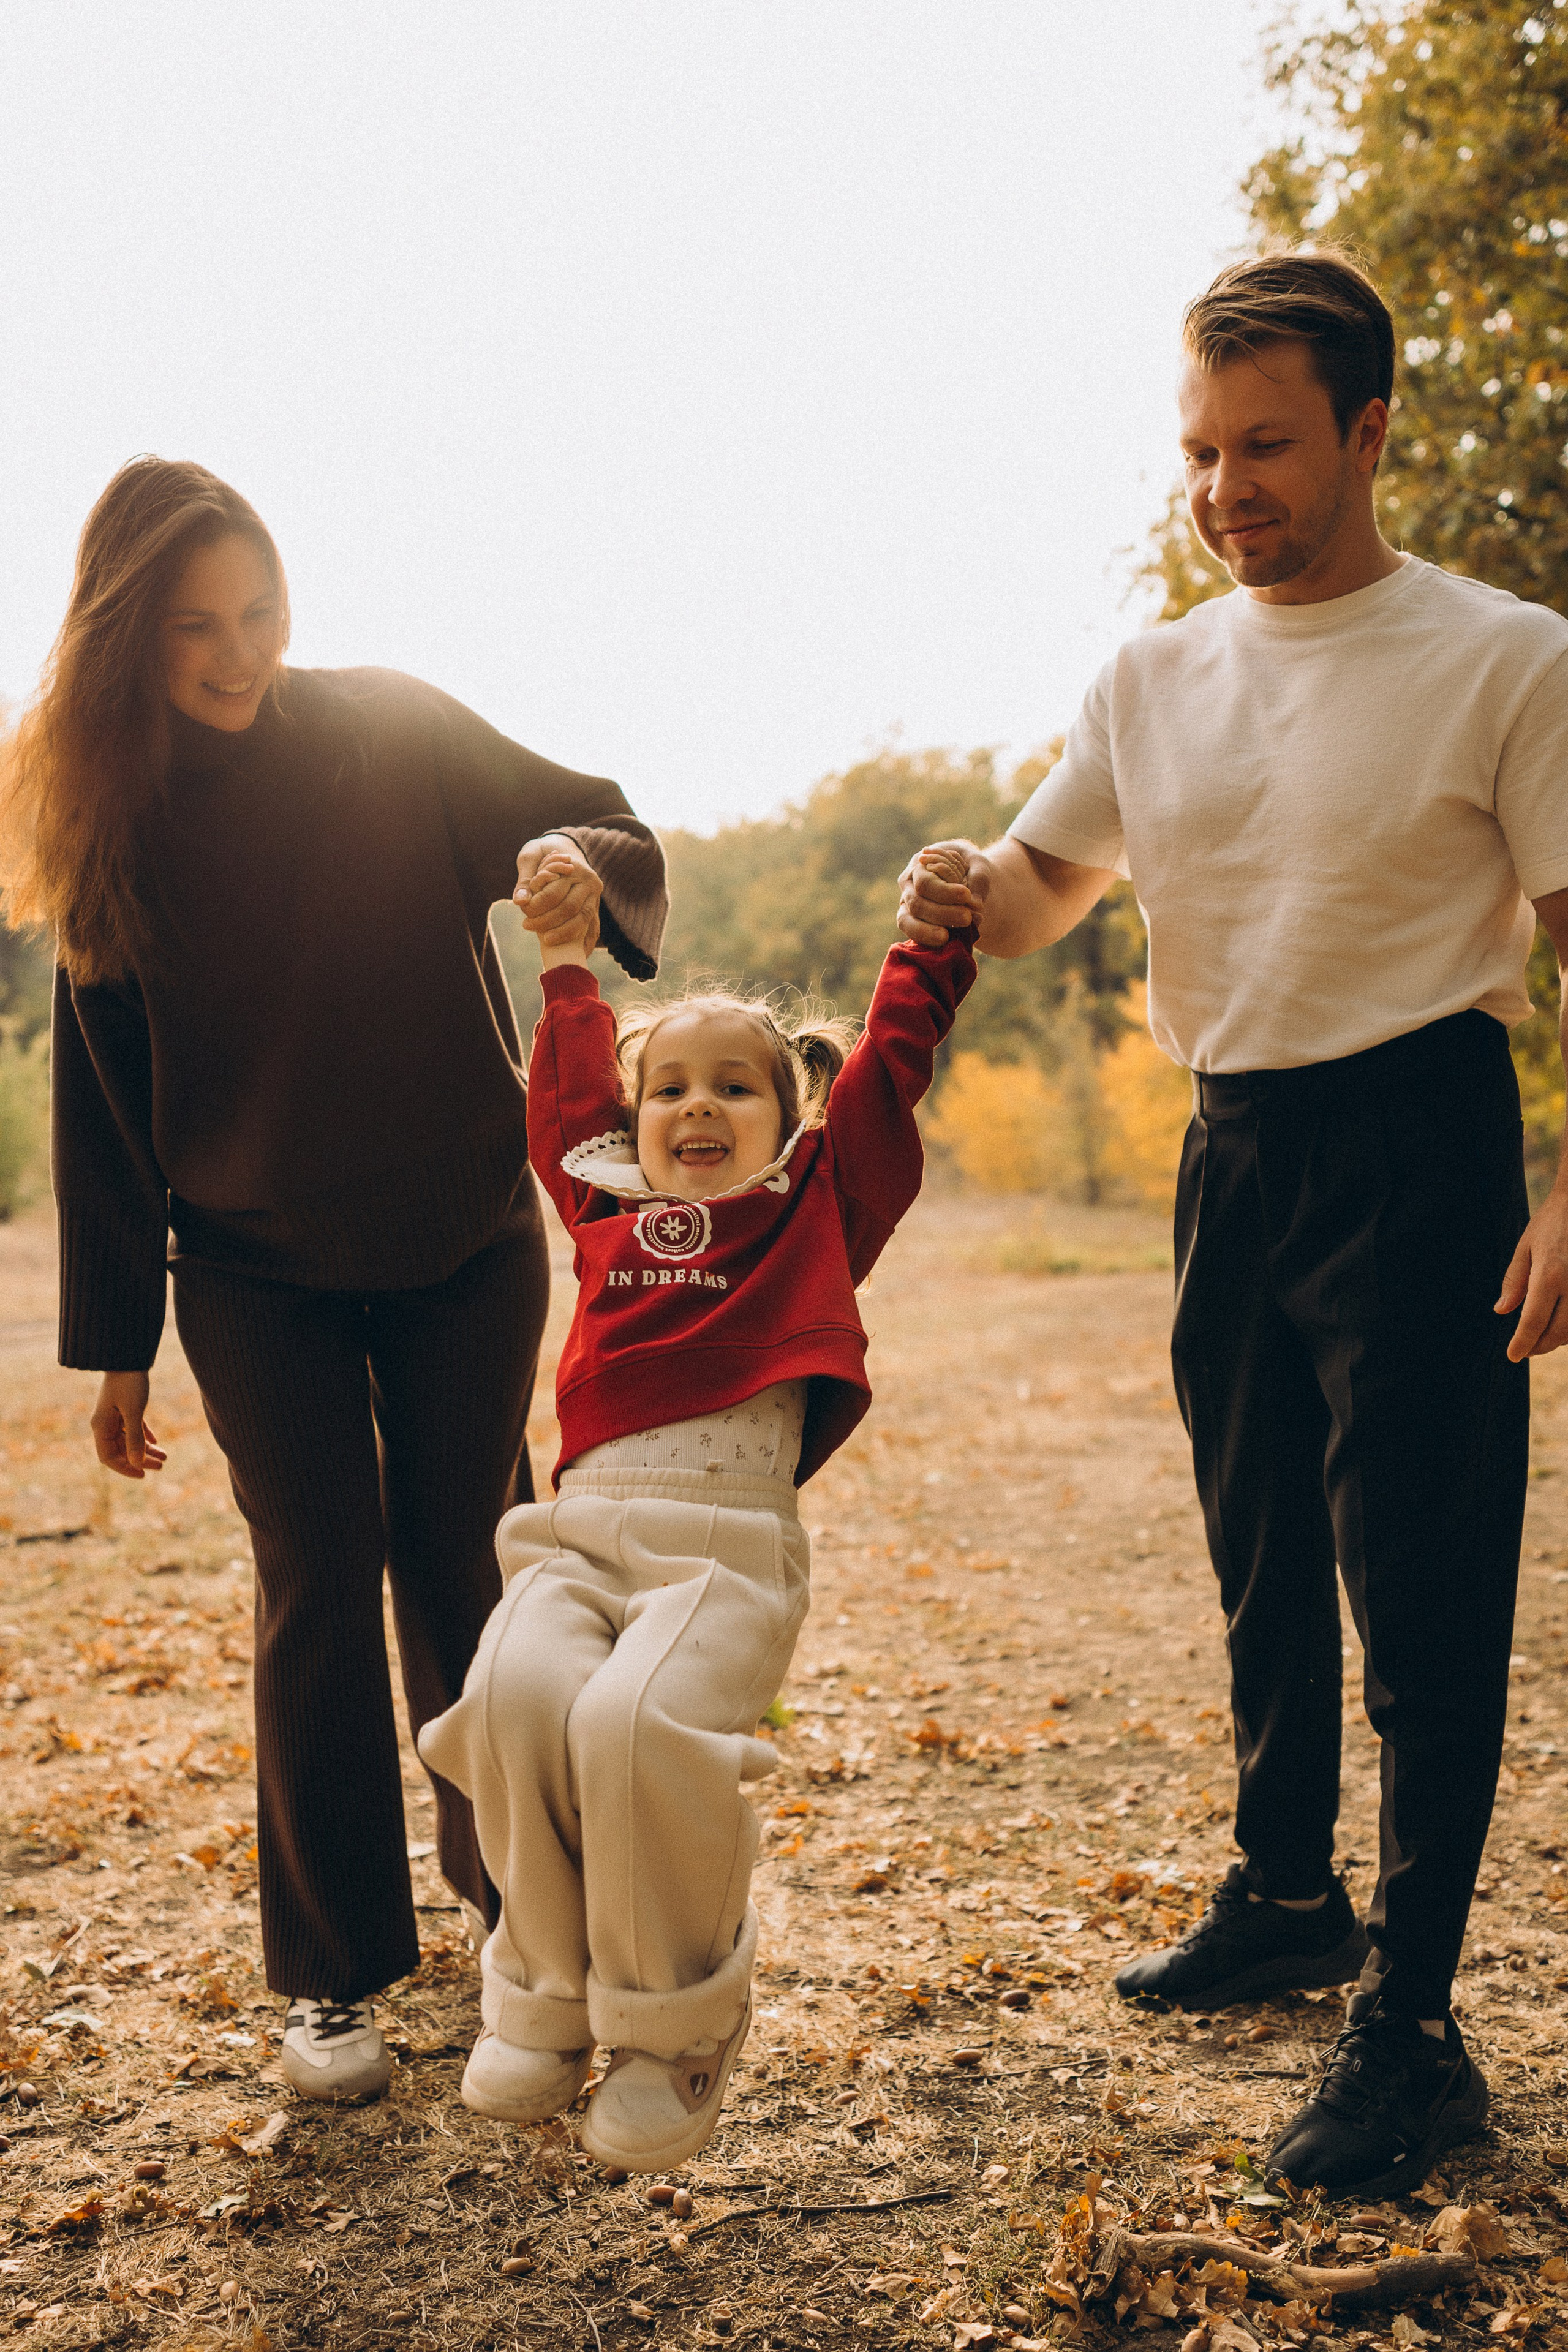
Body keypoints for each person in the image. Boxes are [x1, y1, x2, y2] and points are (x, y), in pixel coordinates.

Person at [897, 249, 1568, 2198]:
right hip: (1236, 1148)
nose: (1224, 488)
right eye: (1200, 451)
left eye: (1265, 446)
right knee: (1261, 1548)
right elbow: (1041, 887)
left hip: (1424, 1144)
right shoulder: (1153, 673)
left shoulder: (1508, 657)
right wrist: (970, 883)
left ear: (1369, 432)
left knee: (1423, 1595)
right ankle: (1288, 1895)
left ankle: (1418, 2026)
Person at [0, 458, 667, 2101]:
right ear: (123, 639)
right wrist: (118, 1343)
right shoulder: (110, 825)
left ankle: (527, 1909)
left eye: (262, 613)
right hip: (248, 1267)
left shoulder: (392, 726)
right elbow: (102, 1096)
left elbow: (602, 819)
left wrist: (575, 872)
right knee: (316, 1576)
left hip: (459, 1236)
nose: (239, 655)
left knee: (466, 1559)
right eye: (196, 629)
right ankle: (331, 1976)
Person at [418, 851, 974, 2171]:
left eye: (736, 1085)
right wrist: (563, 959)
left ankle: (675, 2031)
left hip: (719, 1548)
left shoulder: (817, 1211)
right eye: (668, 1087)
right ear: (634, 1121)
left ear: (790, 1120)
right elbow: (562, 1091)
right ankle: (544, 2002)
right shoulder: (601, 1202)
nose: (698, 1106)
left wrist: (928, 947)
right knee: (510, 1701)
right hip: (578, 1530)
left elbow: (889, 1069)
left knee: (629, 1726)